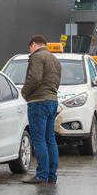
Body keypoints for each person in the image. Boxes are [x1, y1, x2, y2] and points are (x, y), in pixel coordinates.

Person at [21, 35, 62, 185]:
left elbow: (35, 79)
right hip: (52, 101)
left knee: (39, 140)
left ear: (33, 45)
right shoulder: (55, 59)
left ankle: (42, 175)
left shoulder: (37, 57)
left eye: (30, 48)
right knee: (50, 139)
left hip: (38, 102)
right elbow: (57, 82)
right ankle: (51, 175)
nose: (30, 51)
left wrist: (24, 93)